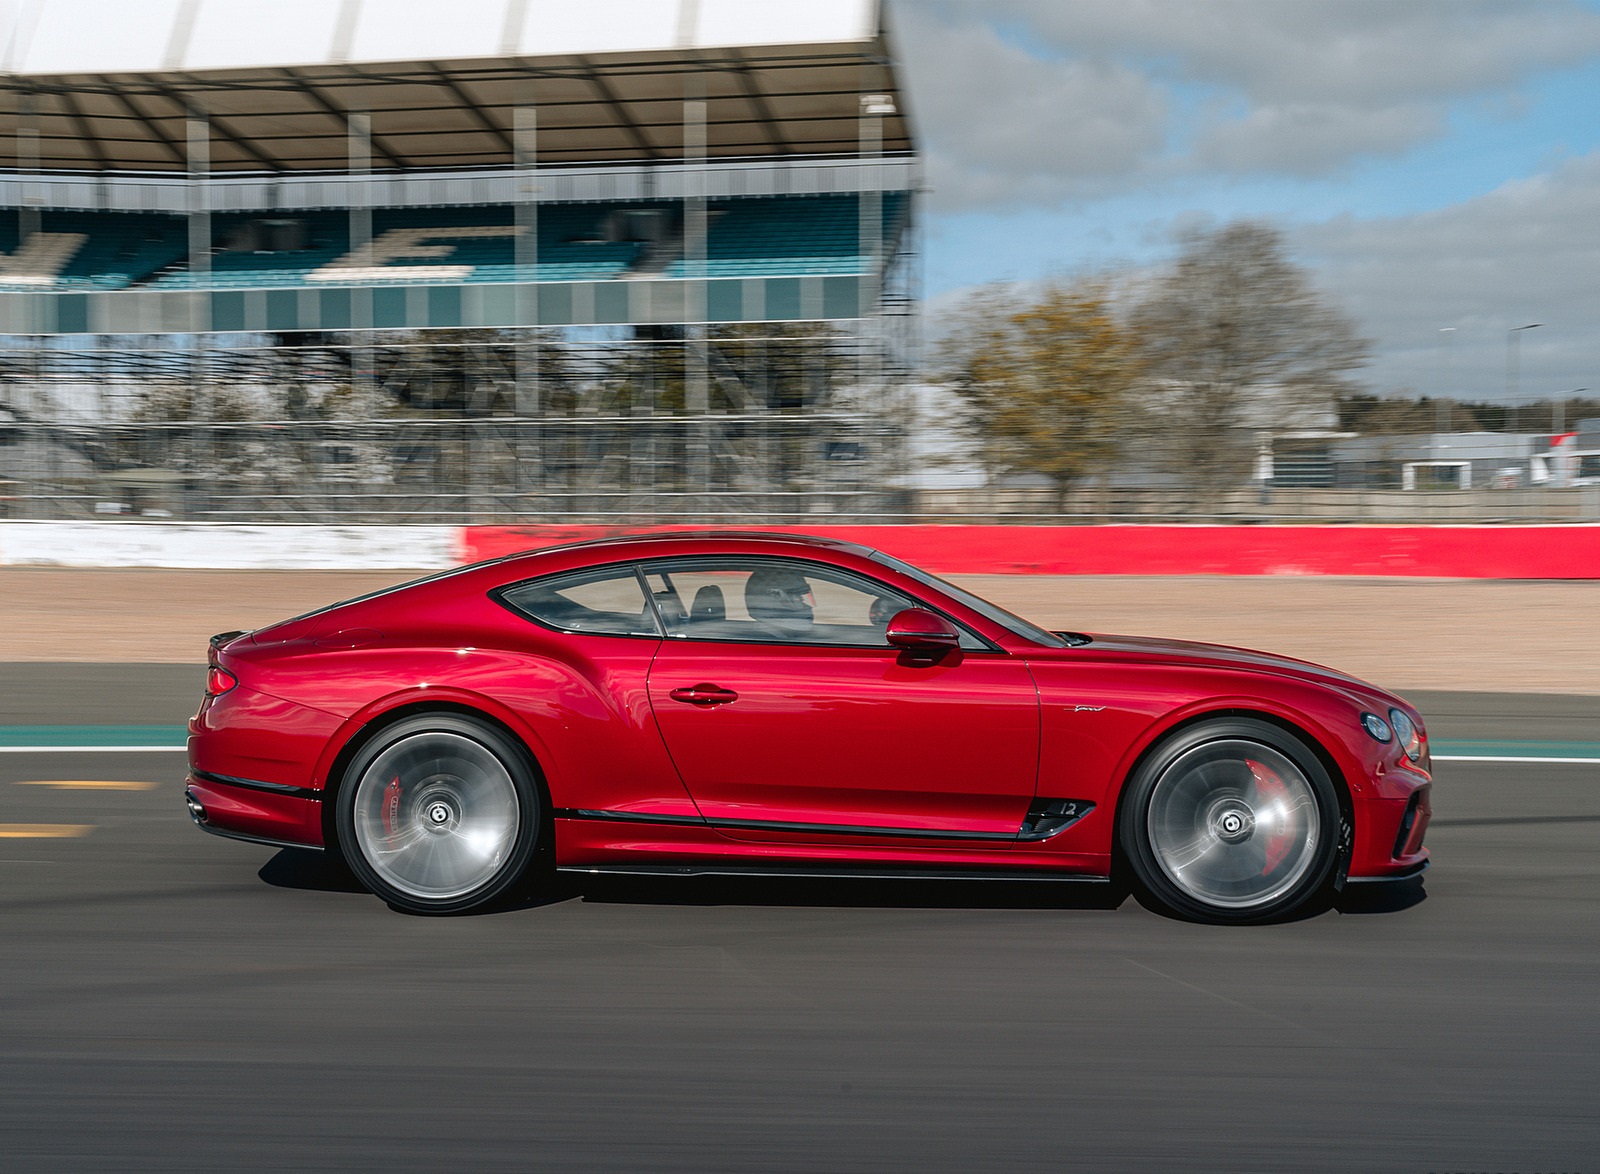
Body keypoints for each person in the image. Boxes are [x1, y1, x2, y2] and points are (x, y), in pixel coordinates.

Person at [744, 565, 815, 638]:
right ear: (773, 600)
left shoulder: (782, 639)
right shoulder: (767, 644)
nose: (808, 607)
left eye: (801, 599)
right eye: (798, 599)